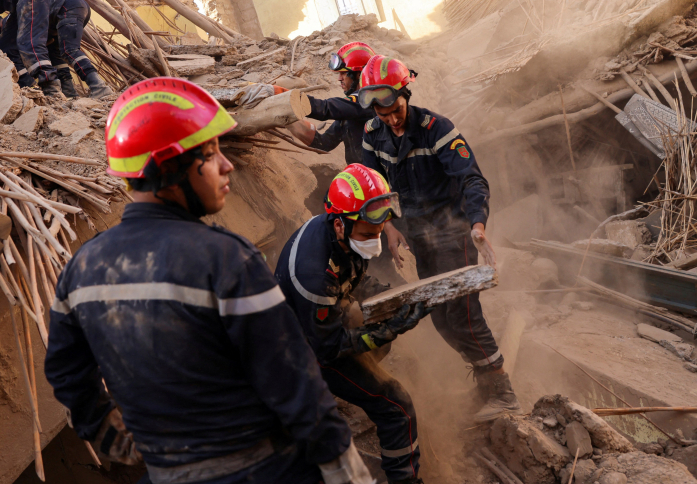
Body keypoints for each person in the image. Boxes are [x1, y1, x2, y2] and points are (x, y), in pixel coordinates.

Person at [44, 78, 374, 484]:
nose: (227, 164)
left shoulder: (80, 270)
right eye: (212, 153)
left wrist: (112, 437)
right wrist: (344, 466)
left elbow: (64, 371)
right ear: (171, 166)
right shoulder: (225, 258)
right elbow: (293, 379)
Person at [357, 55, 522, 422]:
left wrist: (477, 225)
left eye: (395, 110)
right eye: (383, 115)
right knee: (441, 320)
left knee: (463, 315)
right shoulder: (372, 134)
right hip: (418, 237)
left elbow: (472, 180)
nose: (391, 119)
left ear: (406, 94)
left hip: (452, 232)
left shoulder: (437, 128)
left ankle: (503, 393)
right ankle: (484, 386)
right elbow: (373, 187)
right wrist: (389, 226)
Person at [275, 164, 431, 484]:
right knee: (396, 405)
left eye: (379, 230)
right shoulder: (313, 274)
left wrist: (393, 298)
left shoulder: (343, 231)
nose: (375, 239)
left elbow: (354, 276)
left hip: (321, 329)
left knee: (375, 332)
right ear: (339, 225)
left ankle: (347, 392)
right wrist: (392, 327)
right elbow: (329, 348)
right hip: (305, 352)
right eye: (368, 233)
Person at [286, 42, 378, 165]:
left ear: (359, 74)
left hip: (380, 180)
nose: (339, 78)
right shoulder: (350, 111)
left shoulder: (367, 101)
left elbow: (325, 108)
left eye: (344, 73)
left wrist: (286, 98)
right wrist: (289, 120)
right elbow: (324, 143)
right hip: (362, 177)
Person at [5, 0, 113, 98]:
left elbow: (30, 41)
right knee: (58, 53)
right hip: (75, 9)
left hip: (65, 10)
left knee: (70, 50)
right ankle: (70, 93)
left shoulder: (21, 19)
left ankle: (99, 87)